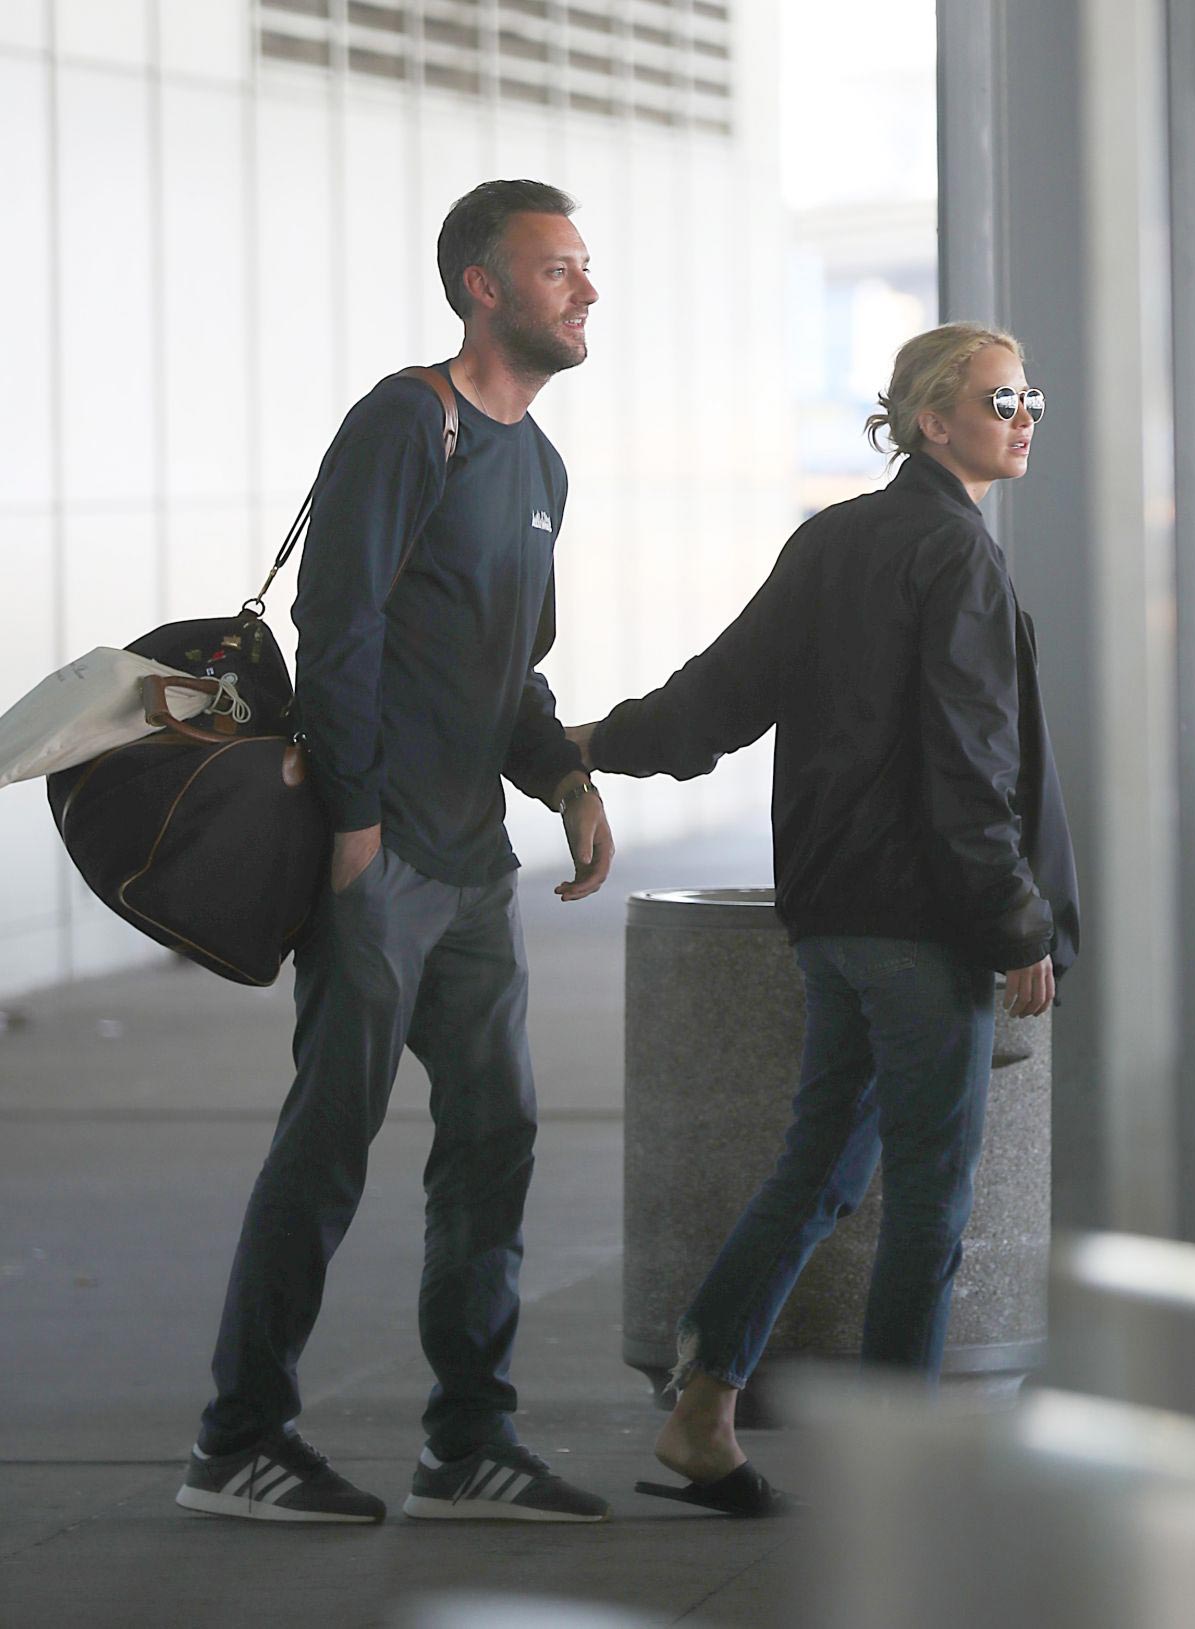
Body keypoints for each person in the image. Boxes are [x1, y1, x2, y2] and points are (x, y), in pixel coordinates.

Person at [568, 322, 1079, 1518]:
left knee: (819, 1172)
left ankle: (702, 1411)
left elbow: (718, 697)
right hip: (927, 926)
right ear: (929, 420)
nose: (1024, 416)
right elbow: (970, 765)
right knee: (931, 1204)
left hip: (838, 919)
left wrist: (598, 743)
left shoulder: (835, 539)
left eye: (1030, 397)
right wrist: (1016, 925)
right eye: (1000, 397)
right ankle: (901, 1487)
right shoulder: (953, 557)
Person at [176, 180, 615, 1526]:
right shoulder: (403, 422)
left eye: (586, 267)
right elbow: (339, 625)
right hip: (384, 859)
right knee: (332, 1140)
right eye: (558, 269)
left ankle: (466, 1441)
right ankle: (238, 1441)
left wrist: (564, 780)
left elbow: (508, 673)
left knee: (496, 1137)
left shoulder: (538, 465)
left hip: (475, 867)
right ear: (483, 286)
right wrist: (355, 827)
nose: (586, 290)